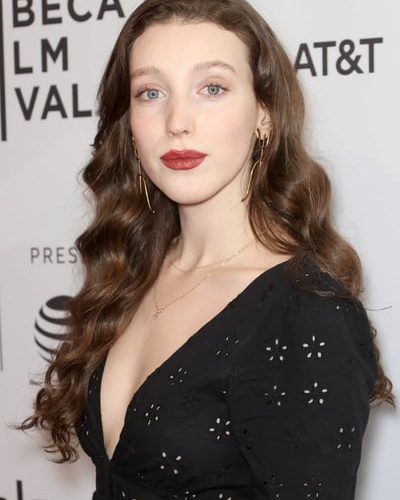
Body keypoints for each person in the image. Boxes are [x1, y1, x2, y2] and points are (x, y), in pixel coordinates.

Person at [20, 0, 393, 499]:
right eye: (151, 92)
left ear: (264, 114)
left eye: (211, 88)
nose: (177, 121)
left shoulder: (306, 313)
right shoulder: (132, 272)